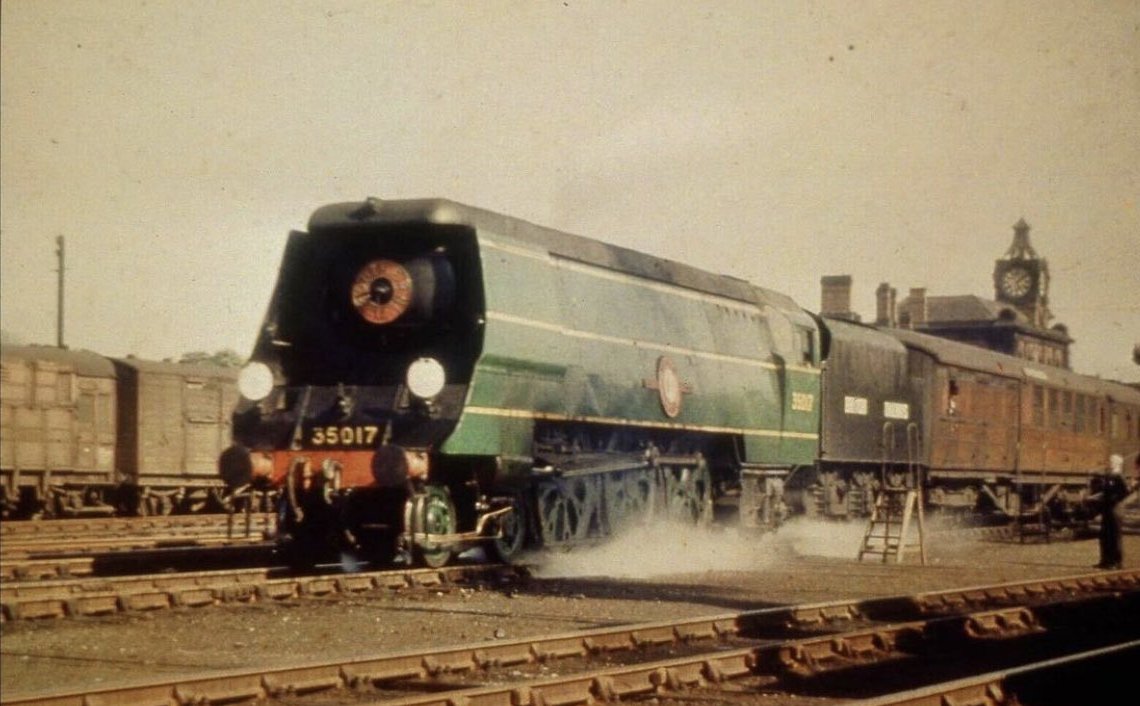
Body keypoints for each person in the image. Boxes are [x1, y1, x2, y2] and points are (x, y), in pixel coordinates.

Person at [1090, 454, 1130, 569]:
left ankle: (1116, 562)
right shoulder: (1108, 476)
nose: (1109, 463)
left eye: (1112, 461)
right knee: (1104, 535)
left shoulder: (1119, 477)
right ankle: (1105, 560)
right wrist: (1094, 498)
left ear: (1118, 463)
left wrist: (1115, 499)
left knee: (1114, 535)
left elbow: (1125, 492)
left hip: (1115, 509)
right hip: (1107, 509)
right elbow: (1105, 493)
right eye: (1109, 461)